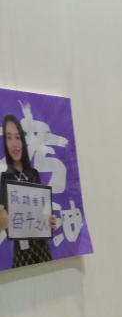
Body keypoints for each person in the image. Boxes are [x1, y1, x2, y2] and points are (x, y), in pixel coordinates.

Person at [0, 113, 58, 267]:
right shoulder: (4, 177)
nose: (14, 143)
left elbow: (43, 212)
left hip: (43, 249)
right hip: (22, 254)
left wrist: (50, 221)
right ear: (5, 142)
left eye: (18, 137)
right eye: (9, 137)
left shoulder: (33, 174)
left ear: (23, 141)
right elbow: (4, 222)